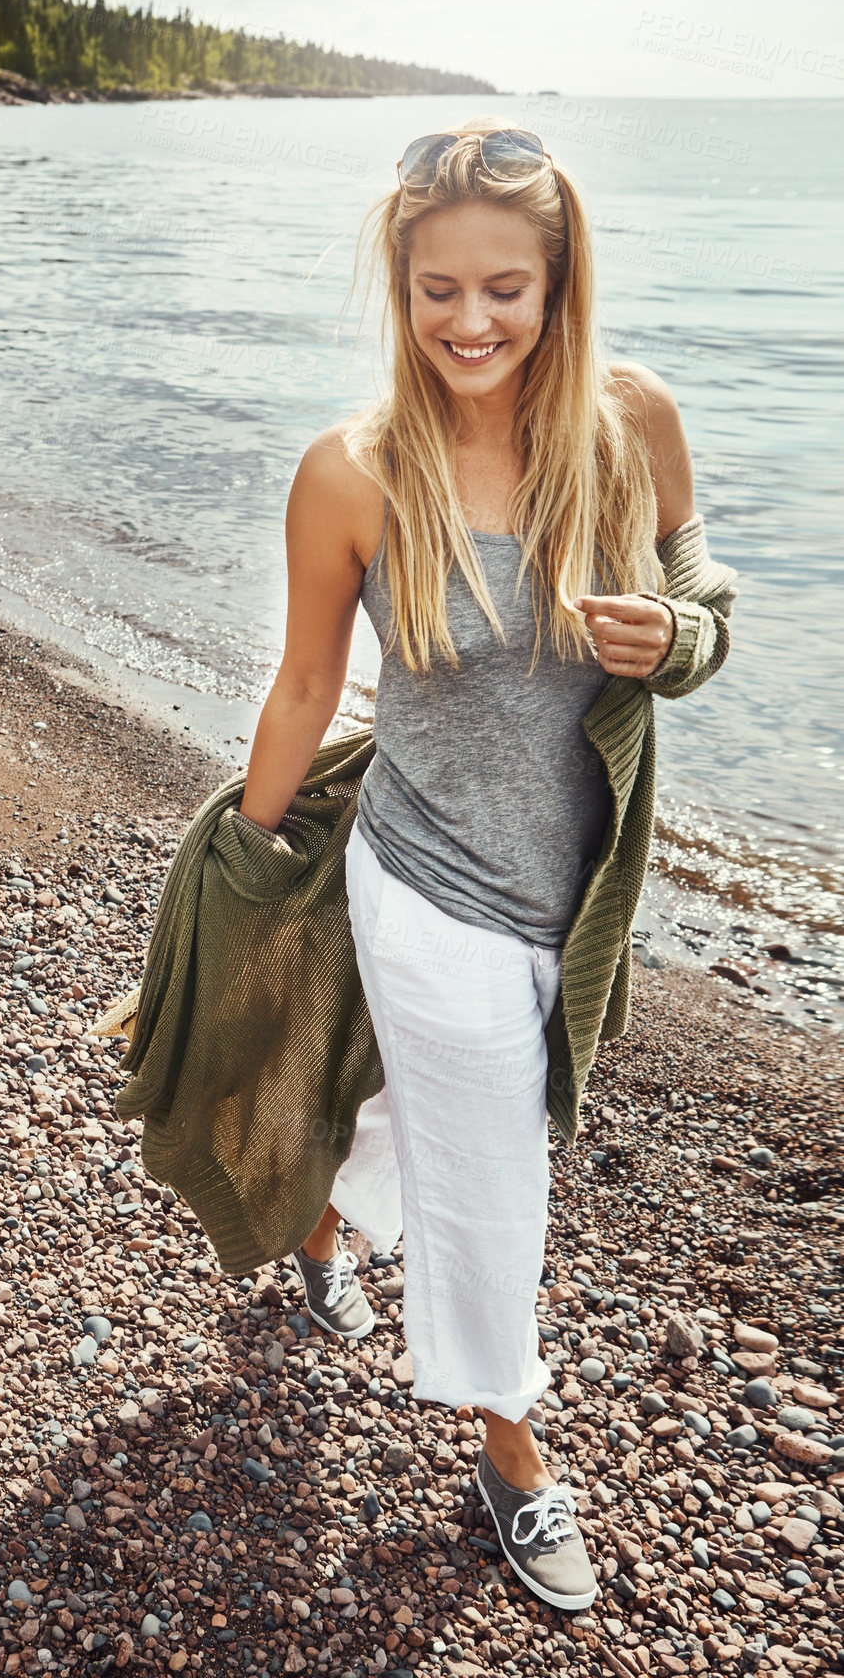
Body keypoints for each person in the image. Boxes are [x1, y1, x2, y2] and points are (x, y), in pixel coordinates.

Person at [234, 120, 721, 1613]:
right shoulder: (358, 470)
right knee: (500, 1170)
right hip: (424, 878)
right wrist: (240, 872)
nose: (470, 322)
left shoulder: (632, 423)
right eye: (437, 289)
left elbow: (702, 596)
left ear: (559, 281)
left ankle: (320, 1221)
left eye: (504, 287)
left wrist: (677, 638)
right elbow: (309, 685)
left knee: (434, 1114)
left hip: (576, 896)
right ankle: (510, 1455)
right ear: (400, 284)